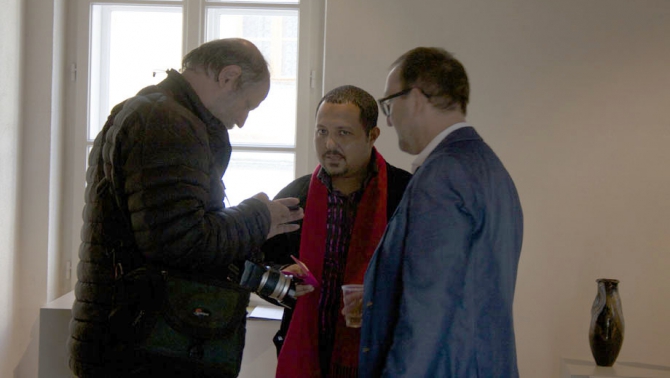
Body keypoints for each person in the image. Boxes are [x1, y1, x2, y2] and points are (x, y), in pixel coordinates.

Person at [67, 38, 303, 377]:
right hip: (143, 346)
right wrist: (259, 216)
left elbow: (177, 231)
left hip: (127, 337)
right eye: (247, 105)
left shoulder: (154, 112)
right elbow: (181, 241)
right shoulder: (165, 121)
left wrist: (266, 264)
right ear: (228, 77)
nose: (242, 120)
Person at [358, 47, 523, 377]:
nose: (388, 120)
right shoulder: (492, 169)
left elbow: (427, 312)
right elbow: (467, 288)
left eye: (389, 104)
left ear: (416, 99)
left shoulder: (441, 176)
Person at [261, 85, 412, 377]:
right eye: (321, 132)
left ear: (372, 135)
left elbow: (428, 277)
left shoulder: (405, 194)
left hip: (380, 355)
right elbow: (260, 263)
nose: (329, 144)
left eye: (343, 133)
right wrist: (282, 280)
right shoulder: (296, 197)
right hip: (307, 352)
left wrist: (379, 296)